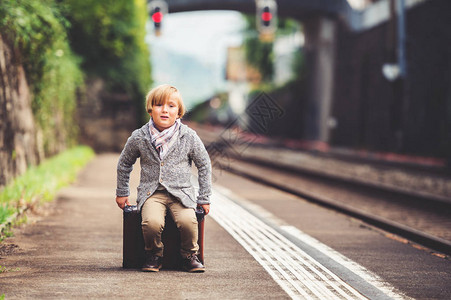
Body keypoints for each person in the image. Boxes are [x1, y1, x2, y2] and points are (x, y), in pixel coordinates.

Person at [115, 84, 212, 273]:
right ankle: (154, 254)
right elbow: (124, 163)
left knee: (188, 223)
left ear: (179, 112)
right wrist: (122, 192)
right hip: (152, 194)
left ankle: (190, 255)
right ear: (151, 109)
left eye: (171, 106)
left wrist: (204, 198)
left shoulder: (188, 136)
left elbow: (204, 165)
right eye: (159, 105)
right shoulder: (139, 137)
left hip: (181, 194)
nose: (165, 110)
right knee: (151, 223)